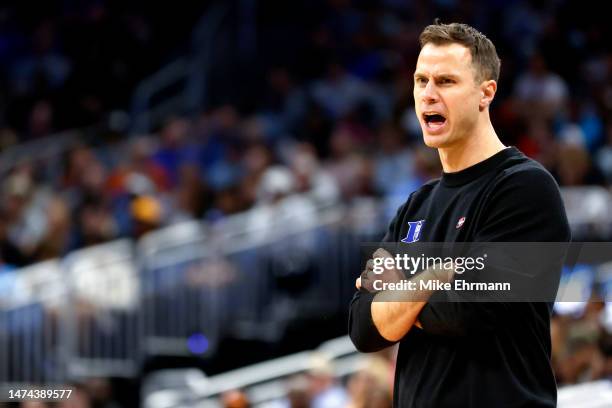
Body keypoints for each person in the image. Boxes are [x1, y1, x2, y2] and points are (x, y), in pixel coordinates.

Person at [348, 21, 571, 407]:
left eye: (446, 82)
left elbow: (469, 309)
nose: (428, 95)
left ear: (486, 93)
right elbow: (363, 328)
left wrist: (399, 286)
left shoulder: (525, 188)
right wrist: (439, 273)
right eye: (421, 81)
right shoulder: (415, 206)